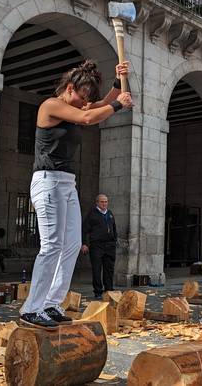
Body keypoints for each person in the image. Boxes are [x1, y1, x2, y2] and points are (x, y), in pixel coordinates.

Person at [19, 60, 133, 329]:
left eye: (86, 99)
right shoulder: (51, 105)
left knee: (71, 245)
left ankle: (51, 303)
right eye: (82, 97)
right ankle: (31, 308)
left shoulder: (76, 105)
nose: (85, 103)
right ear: (69, 88)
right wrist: (119, 105)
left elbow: (99, 105)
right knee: (51, 246)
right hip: (47, 181)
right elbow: (88, 117)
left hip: (67, 183)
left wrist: (118, 83)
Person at [81, 194, 118, 299]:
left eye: (106, 201)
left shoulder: (110, 214)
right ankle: (98, 291)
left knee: (109, 269)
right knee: (97, 269)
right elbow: (84, 230)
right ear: (97, 202)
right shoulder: (92, 214)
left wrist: (114, 240)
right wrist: (84, 243)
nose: (104, 204)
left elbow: (114, 228)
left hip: (110, 246)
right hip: (97, 246)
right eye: (102, 202)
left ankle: (109, 290)